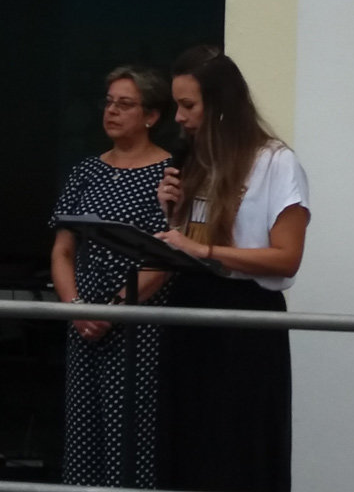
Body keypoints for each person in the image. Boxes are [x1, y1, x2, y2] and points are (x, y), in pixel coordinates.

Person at [154, 45, 310, 492]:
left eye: (188, 106)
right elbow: (190, 241)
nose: (179, 118)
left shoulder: (276, 163)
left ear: (221, 106)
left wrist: (207, 253)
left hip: (244, 319)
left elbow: (287, 256)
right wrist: (173, 216)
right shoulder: (196, 163)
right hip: (190, 310)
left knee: (237, 446)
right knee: (189, 443)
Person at [50, 65, 172, 488]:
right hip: (84, 321)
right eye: (108, 102)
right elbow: (63, 250)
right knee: (85, 428)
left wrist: (115, 309)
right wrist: (77, 310)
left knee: (134, 430)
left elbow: (167, 255)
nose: (112, 111)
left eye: (125, 104)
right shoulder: (86, 170)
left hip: (138, 324)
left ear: (151, 116)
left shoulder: (171, 174)